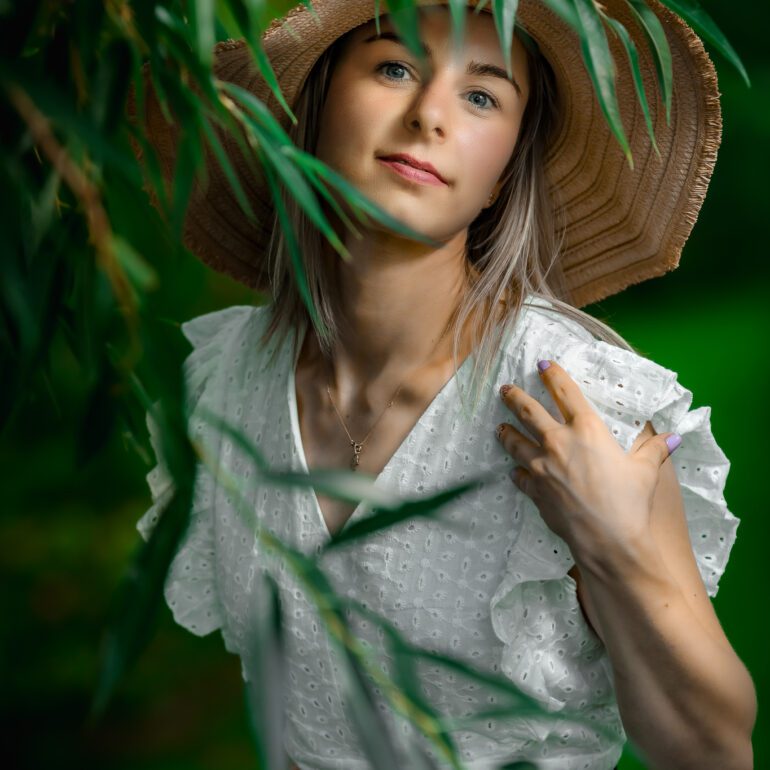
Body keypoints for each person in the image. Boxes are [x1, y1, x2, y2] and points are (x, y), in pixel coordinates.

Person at [129, 1, 756, 768]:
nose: (429, 115)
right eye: (394, 68)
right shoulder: (221, 385)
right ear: (313, 112)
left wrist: (617, 546)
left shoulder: (577, 409)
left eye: (481, 95)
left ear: (501, 176)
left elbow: (713, 749)